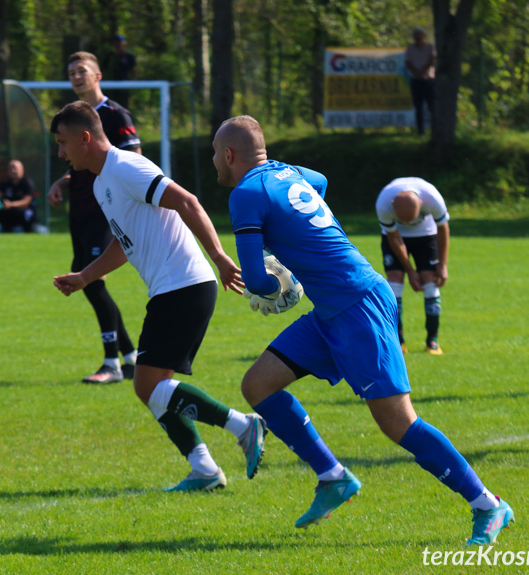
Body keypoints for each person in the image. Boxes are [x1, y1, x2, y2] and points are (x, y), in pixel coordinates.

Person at [212, 115, 513, 545]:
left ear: (229, 155)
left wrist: (276, 284)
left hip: (357, 306)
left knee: (398, 422)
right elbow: (319, 182)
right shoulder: (289, 173)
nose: (213, 163)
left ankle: (488, 504)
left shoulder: (245, 194)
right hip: (336, 309)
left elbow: (258, 281)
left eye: (213, 155)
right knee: (258, 384)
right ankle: (333, 477)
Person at [51, 101, 266, 491]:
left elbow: (188, 202)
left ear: (85, 138)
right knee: (152, 388)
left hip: (184, 284)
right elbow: (123, 240)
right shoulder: (102, 182)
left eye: (63, 143)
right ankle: (204, 469)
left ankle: (243, 426)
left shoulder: (128, 167)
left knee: (148, 385)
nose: (61, 153)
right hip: (171, 287)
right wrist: (85, 276)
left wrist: (219, 256)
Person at [47, 51, 139, 384]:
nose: (76, 76)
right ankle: (130, 357)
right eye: (70, 71)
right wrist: (62, 181)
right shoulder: (71, 117)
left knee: (91, 280)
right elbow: (80, 165)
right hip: (81, 210)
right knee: (88, 281)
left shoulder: (114, 114)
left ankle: (111, 363)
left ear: (97, 76)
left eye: (82, 70)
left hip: (106, 210)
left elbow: (133, 161)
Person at [375, 177, 450, 354]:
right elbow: (394, 238)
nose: (408, 225)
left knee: (429, 280)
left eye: (411, 220)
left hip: (426, 235)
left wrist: (443, 264)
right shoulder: (383, 204)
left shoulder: (433, 197)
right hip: (394, 236)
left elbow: (443, 229)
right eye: (404, 221)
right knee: (394, 280)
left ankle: (433, 341)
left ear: (422, 203)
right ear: (393, 205)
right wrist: (410, 271)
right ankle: (398, 341)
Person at [0, 159, 36, 233]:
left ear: (22, 170)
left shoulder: (27, 183)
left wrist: (11, 204)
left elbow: (26, 201)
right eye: (10, 169)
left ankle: (24, 229)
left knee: (22, 212)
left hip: (22, 212)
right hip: (8, 210)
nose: (12, 171)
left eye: (14, 168)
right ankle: (3, 227)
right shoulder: (5, 183)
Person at [405, 27, 436, 136]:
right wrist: (417, 73)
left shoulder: (429, 47)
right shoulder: (410, 49)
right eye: (416, 34)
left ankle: (434, 131)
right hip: (416, 81)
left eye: (419, 34)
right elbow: (408, 63)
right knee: (418, 107)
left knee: (432, 106)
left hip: (428, 80)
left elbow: (432, 61)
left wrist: (422, 71)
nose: (418, 37)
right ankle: (420, 131)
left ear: (423, 36)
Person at [102, 34, 137, 108]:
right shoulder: (110, 56)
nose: (118, 44)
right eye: (116, 42)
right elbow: (103, 70)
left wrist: (132, 84)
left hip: (124, 86)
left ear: (124, 43)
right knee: (111, 106)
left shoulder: (129, 56)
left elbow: (133, 71)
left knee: (124, 106)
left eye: (120, 41)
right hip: (111, 86)